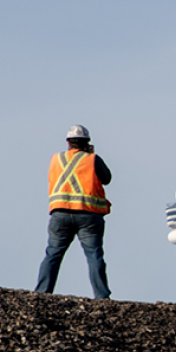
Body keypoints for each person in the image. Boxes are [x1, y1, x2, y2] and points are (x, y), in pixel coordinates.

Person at [35, 125, 112, 299]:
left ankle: (42, 293)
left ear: (68, 143)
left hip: (60, 214)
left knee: (53, 254)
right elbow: (107, 178)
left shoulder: (56, 159)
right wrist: (91, 155)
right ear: (87, 143)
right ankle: (101, 296)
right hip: (88, 215)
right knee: (94, 255)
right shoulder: (92, 159)